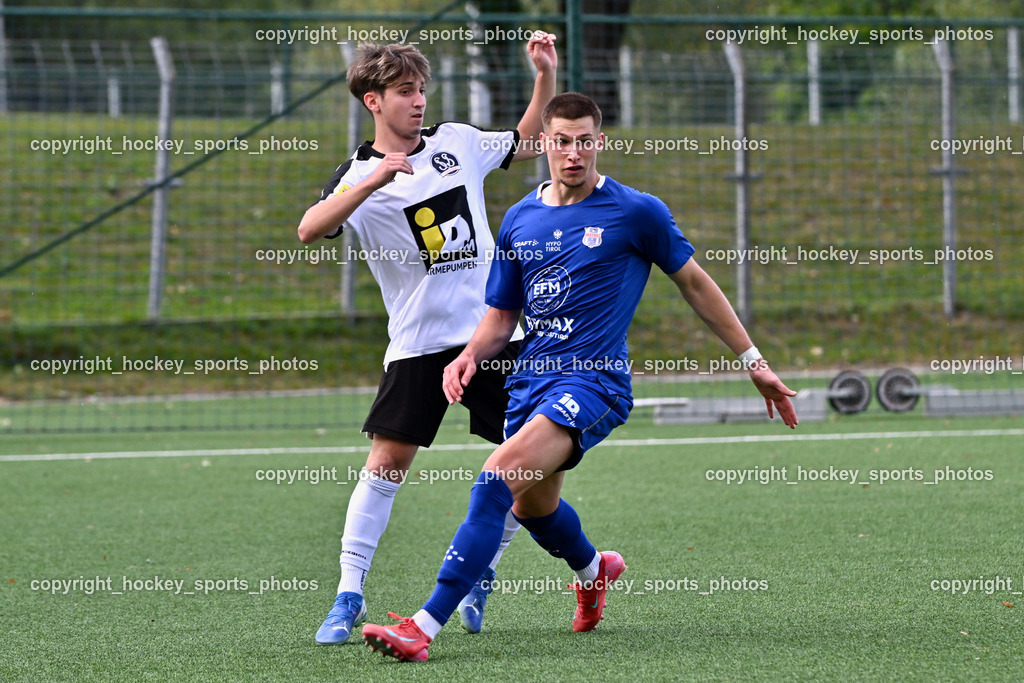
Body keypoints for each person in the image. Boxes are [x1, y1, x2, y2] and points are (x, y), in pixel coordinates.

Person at [360, 92, 799, 662]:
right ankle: (594, 570)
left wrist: (754, 363)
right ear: (544, 143)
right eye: (562, 141)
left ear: (599, 141)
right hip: (530, 383)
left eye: (585, 140)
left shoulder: (636, 211)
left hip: (593, 383)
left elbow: (695, 283)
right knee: (532, 508)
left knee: (495, 479)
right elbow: (500, 316)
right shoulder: (520, 217)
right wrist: (469, 356)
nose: (574, 153)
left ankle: (422, 626)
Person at [297, 34, 558, 644]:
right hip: (417, 344)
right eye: (404, 92)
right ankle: (348, 594)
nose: (417, 102)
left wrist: (544, 76)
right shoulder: (359, 175)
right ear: (373, 101)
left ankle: (482, 573)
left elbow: (527, 142)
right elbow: (310, 229)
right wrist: (370, 183)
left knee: (521, 465)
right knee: (386, 464)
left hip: (494, 335)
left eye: (421, 90)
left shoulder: (457, 143)